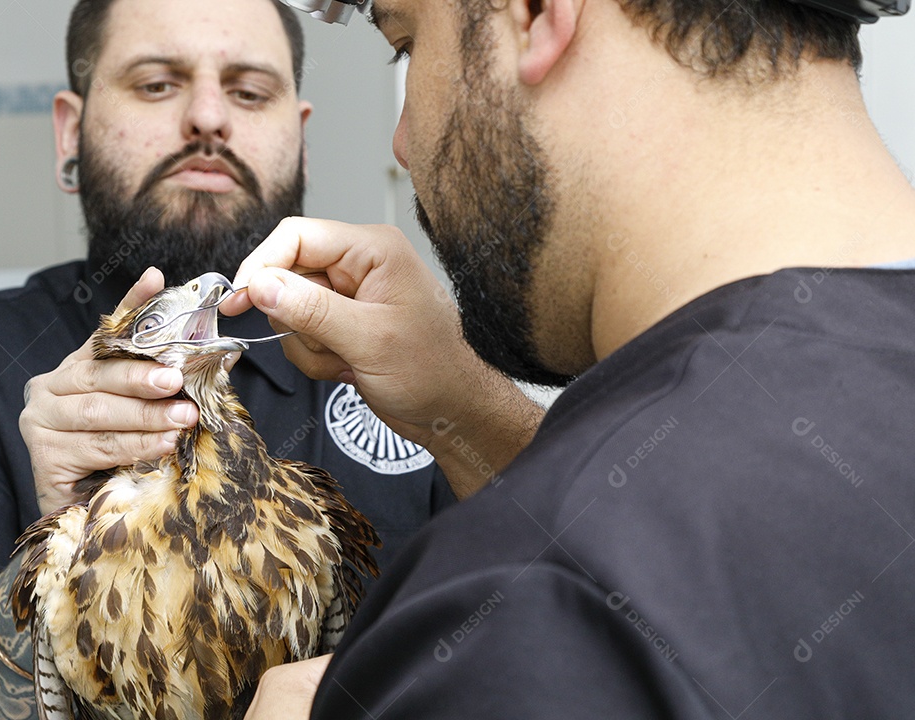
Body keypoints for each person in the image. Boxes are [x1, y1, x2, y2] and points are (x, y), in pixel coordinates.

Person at [227, 0, 915, 717]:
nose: (403, 143)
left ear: (535, 12)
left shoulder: (530, 611)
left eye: (407, 44)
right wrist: (464, 409)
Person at [0, 0, 460, 714]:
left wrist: (465, 400)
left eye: (249, 92)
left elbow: (572, 612)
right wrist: (61, 565)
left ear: (302, 137)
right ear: (71, 131)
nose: (206, 118)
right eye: (157, 84)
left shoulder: (413, 355)